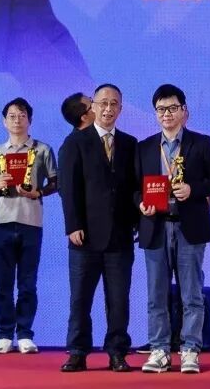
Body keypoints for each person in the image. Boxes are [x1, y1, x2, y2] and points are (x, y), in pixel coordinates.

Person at [135, 84, 210, 374]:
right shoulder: (145, 147)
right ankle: (159, 349)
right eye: (161, 109)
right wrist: (141, 204)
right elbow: (134, 188)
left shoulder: (201, 143)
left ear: (184, 111)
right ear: (155, 113)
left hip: (189, 228)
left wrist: (192, 189)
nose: (167, 114)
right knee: (156, 294)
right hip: (156, 227)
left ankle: (190, 350)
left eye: (173, 108)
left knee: (192, 294)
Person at [58, 84, 138, 372]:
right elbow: (68, 188)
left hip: (120, 236)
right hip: (85, 237)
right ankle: (78, 351)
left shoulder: (130, 143)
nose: (108, 108)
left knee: (118, 300)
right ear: (93, 107)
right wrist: (73, 225)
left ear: (120, 108)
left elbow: (135, 187)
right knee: (80, 299)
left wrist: (138, 219)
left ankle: (117, 352)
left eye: (114, 103)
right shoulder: (75, 142)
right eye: (103, 103)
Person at [0, 97, 56, 355]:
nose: (17, 120)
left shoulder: (42, 150)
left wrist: (38, 192)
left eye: (22, 115)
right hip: (1, 222)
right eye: (12, 116)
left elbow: (56, 182)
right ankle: (3, 334)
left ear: (29, 120)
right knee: (2, 283)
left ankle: (24, 334)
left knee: (27, 283)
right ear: (4, 121)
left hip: (31, 222)